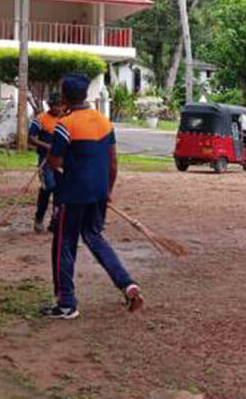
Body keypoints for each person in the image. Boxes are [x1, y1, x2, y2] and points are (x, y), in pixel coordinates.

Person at [44, 74, 142, 319]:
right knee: (94, 237)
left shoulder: (65, 125)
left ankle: (66, 302)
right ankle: (126, 283)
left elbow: (54, 161)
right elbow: (113, 163)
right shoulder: (104, 122)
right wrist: (107, 191)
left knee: (63, 244)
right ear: (86, 95)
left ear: (65, 97)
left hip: (73, 195)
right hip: (98, 192)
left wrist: (62, 163)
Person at [28, 93, 65, 233]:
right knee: (48, 187)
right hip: (45, 160)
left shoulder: (65, 119)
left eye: (62, 105)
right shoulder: (41, 119)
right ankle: (39, 219)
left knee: (60, 191)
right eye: (57, 105)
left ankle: (55, 222)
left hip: (62, 161)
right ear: (50, 105)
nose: (60, 108)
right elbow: (31, 138)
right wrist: (46, 146)